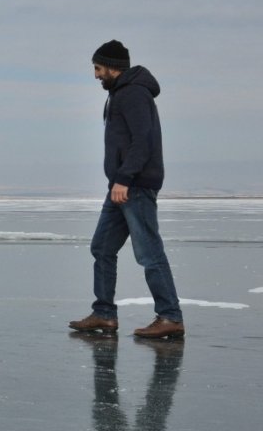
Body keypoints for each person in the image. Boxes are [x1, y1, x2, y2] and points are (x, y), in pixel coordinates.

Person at [69, 40, 185, 339]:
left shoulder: (133, 93)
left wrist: (125, 179)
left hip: (134, 186)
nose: (95, 75)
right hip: (120, 186)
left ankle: (170, 315)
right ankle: (104, 313)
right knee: (102, 247)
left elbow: (142, 141)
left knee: (148, 252)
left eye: (97, 68)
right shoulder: (119, 93)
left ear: (111, 67)